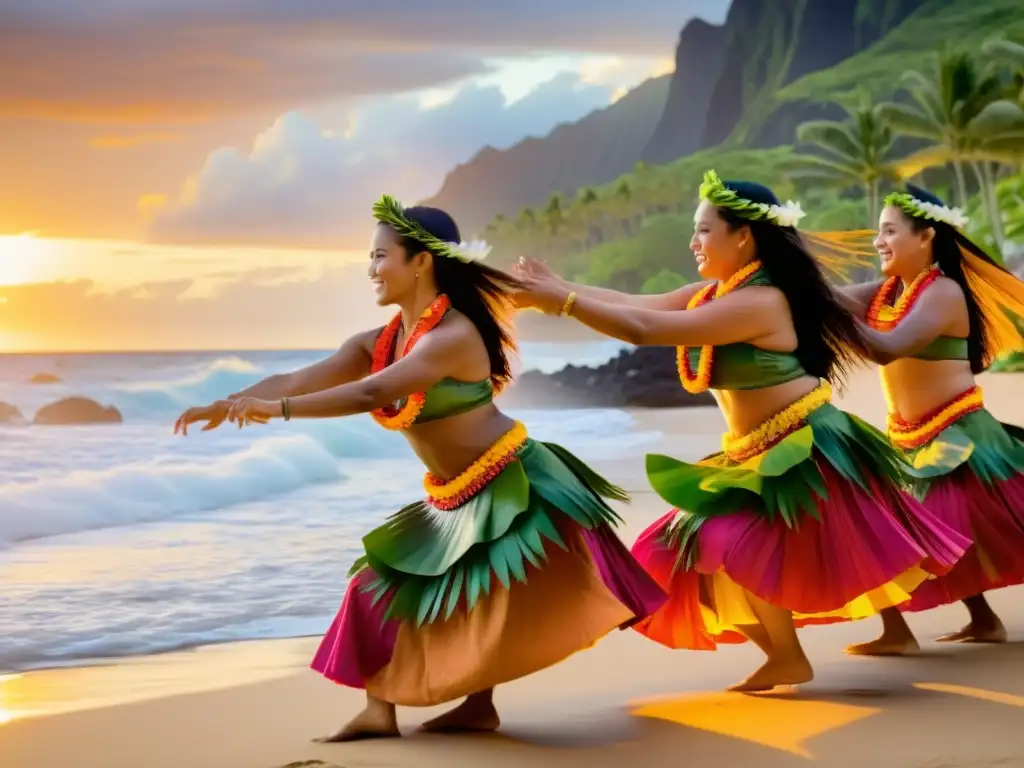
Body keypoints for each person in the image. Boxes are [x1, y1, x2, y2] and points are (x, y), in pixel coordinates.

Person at [174, 196, 666, 741]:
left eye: (381, 256)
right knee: (378, 585)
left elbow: (375, 391)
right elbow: (297, 379)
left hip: (511, 480)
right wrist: (230, 401)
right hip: (452, 491)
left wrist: (278, 412)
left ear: (421, 261)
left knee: (485, 596)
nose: (371, 270)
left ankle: (472, 704)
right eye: (370, 257)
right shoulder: (377, 342)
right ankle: (383, 710)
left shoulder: (453, 336)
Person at [513, 170, 968, 692]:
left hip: (804, 448)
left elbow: (645, 331)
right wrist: (555, 286)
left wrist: (560, 303)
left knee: (729, 543)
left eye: (705, 230)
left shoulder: (762, 301)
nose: (694, 241)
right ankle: (786, 656)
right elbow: (634, 303)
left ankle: (791, 655)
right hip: (753, 452)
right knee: (670, 550)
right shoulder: (715, 294)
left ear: (743, 236)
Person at [840, 184, 1024, 656]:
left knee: (917, 530)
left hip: (960, 438)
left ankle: (904, 633)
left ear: (925, 237)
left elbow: (890, 346)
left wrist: (831, 317)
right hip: (910, 439)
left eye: (889, 231)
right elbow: (829, 297)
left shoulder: (942, 292)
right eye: (878, 232)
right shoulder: (886, 291)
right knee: (928, 531)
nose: (878, 241)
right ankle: (973, 623)